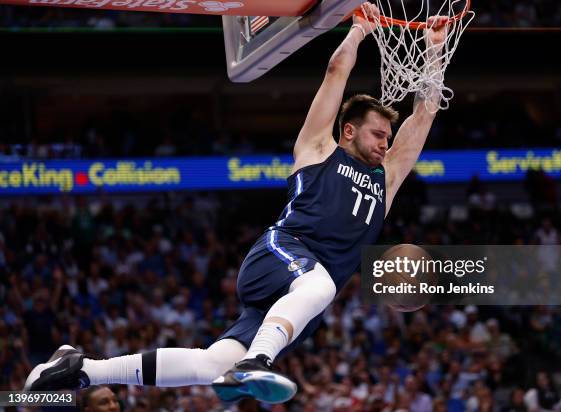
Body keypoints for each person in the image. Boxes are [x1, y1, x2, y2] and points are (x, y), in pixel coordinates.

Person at [24, 2, 449, 404]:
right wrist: (358, 30)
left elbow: (424, 115)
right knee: (319, 286)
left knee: (214, 363)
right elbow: (336, 70)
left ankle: (81, 370)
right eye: (378, 134)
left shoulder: (386, 180)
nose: (385, 143)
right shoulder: (319, 149)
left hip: (301, 298)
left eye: (388, 138)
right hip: (283, 254)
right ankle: (257, 360)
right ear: (350, 131)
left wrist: (434, 51)